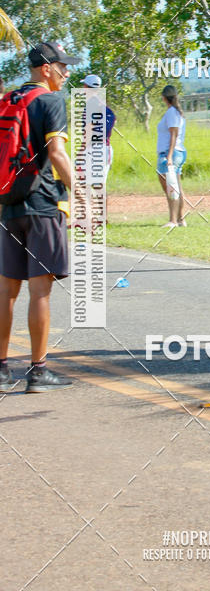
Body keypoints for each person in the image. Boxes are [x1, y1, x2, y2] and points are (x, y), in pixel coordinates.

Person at [0, 41, 83, 393]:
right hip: (42, 205)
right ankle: (38, 372)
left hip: (8, 207)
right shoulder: (50, 101)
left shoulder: (8, 100)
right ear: (45, 69)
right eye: (62, 67)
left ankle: (2, 370)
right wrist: (83, 195)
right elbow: (58, 154)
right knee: (40, 292)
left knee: (5, 291)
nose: (66, 73)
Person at [156, 84, 187, 229]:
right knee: (176, 187)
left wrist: (168, 157)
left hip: (170, 153)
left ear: (164, 97)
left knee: (171, 188)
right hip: (176, 152)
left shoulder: (171, 113)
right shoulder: (176, 112)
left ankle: (173, 220)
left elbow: (173, 134)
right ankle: (180, 219)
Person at [79, 73, 116, 183]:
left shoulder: (91, 103)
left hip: (95, 148)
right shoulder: (101, 103)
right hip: (105, 147)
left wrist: (81, 150)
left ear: (86, 87)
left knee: (88, 185)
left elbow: (89, 128)